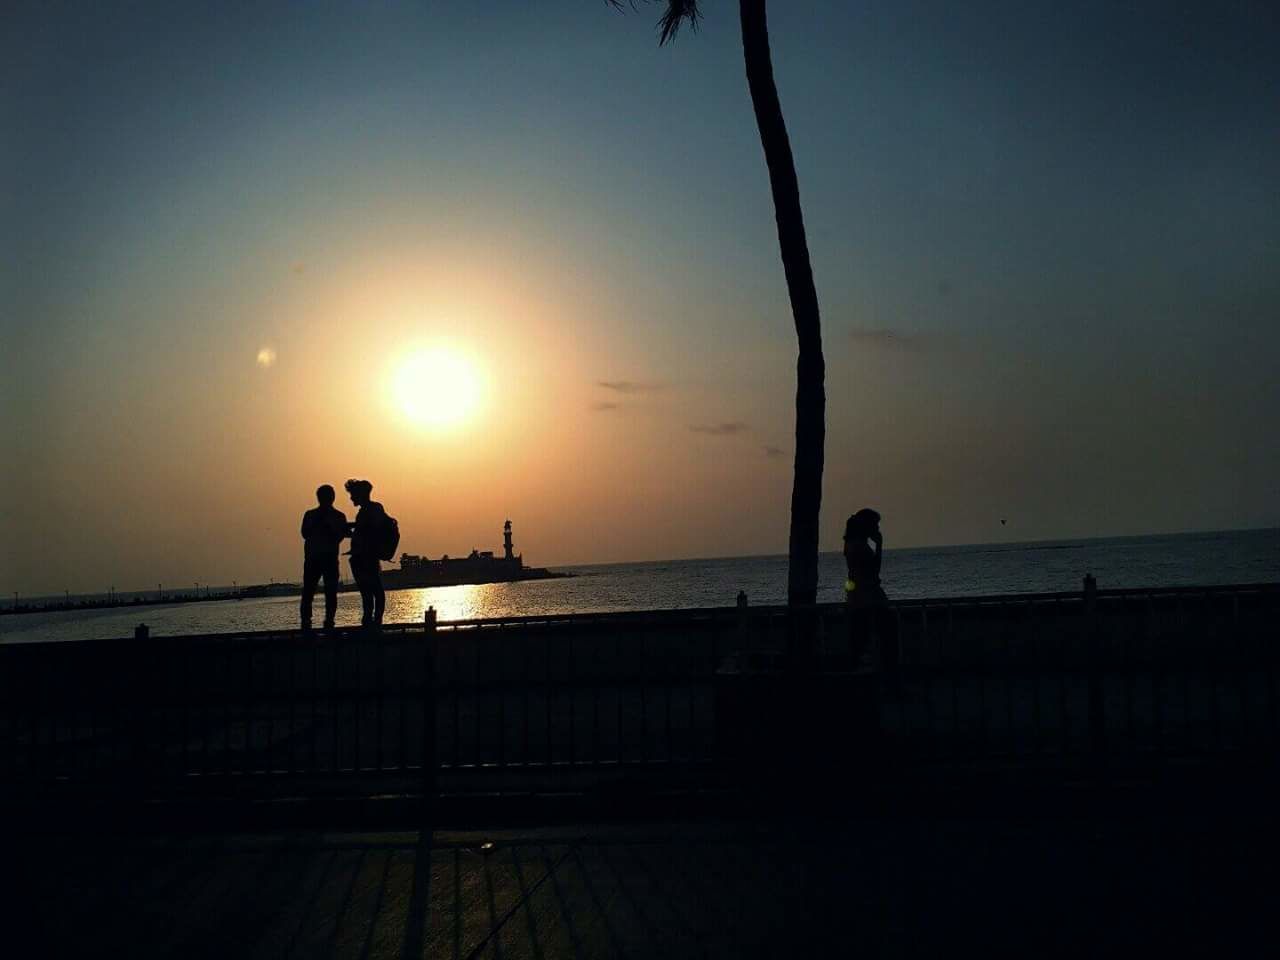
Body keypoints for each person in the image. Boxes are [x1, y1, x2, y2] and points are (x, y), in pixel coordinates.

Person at [843, 508, 899, 671]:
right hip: (868, 598)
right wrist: (880, 546)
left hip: (859, 598)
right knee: (883, 638)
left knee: (861, 640)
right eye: (875, 524)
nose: (878, 528)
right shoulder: (859, 547)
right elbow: (874, 571)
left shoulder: (851, 544)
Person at [300, 484, 349, 632]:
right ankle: (307, 622)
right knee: (309, 592)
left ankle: (328, 621)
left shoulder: (338, 517)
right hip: (315, 559)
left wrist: (329, 529)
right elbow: (304, 533)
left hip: (326, 559)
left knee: (329, 592)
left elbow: (340, 535)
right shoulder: (311, 515)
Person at [344, 478, 387, 627]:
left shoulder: (371, 510)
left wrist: (352, 531)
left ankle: (373, 621)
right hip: (363, 557)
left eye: (353, 494)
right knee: (370, 591)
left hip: (366, 557)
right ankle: (371, 620)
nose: (351, 498)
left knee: (372, 591)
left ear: (360, 494)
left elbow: (369, 531)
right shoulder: (370, 510)